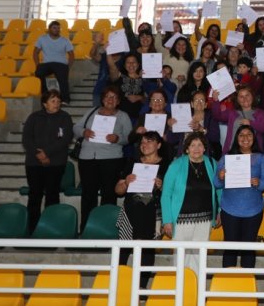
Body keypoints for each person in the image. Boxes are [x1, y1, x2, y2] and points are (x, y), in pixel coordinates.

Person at [161, 132, 221, 275]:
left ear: (204, 148)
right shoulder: (176, 165)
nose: (196, 148)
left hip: (205, 220)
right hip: (181, 220)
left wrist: (220, 211)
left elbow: (220, 191)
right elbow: (166, 194)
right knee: (181, 260)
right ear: (186, 149)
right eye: (192, 145)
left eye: (200, 145)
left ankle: (197, 293)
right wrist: (167, 220)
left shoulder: (213, 164)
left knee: (200, 259)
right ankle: (182, 293)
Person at [74, 85, 133, 230]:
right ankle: (86, 228)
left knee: (109, 195)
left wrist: (117, 138)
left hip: (111, 159)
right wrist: (84, 132)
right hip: (87, 159)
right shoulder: (91, 111)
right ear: (102, 99)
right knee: (88, 194)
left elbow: (129, 137)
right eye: (107, 97)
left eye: (114, 97)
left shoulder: (123, 116)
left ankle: (106, 229)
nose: (110, 100)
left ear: (118, 101)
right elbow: (75, 127)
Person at [114, 131, 168, 287]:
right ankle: (119, 286)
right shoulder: (132, 162)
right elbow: (118, 191)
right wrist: (125, 182)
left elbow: (173, 192)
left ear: (158, 145)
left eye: (149, 142)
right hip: (131, 212)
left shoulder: (167, 164)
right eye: (142, 142)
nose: (144, 145)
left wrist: (162, 185)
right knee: (123, 250)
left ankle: (141, 289)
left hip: (152, 213)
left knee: (147, 251)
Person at [213, 125, 264, 268]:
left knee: (248, 249)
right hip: (229, 209)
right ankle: (226, 284)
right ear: (236, 139)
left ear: (254, 138)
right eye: (241, 135)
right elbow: (216, 183)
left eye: (249, 135)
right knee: (230, 248)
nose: (245, 138)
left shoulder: (261, 158)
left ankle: (247, 284)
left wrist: (259, 183)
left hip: (254, 210)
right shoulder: (226, 158)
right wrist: (220, 177)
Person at [21, 90, 74, 232]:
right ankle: (32, 229)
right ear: (45, 104)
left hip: (56, 163)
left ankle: (51, 228)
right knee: (34, 196)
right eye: (53, 101)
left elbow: (66, 139)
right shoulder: (34, 117)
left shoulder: (65, 117)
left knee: (52, 195)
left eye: (58, 101)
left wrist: (47, 153)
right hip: (34, 163)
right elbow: (26, 139)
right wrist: (39, 154)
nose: (56, 104)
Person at [211, 86, 264, 153]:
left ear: (252, 96)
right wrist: (216, 101)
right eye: (241, 97)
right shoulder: (232, 113)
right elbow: (217, 116)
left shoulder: (261, 113)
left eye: (247, 95)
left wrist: (250, 123)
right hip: (232, 152)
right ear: (237, 100)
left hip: (253, 153)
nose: (245, 99)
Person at [34, 20, 74, 104]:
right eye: (54, 28)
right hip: (47, 64)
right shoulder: (42, 38)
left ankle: (65, 99)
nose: (57, 30)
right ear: (49, 29)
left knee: (63, 78)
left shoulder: (65, 40)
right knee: (38, 73)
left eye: (58, 28)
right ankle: (45, 95)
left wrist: (68, 66)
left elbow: (71, 54)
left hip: (61, 64)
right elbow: (35, 52)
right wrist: (38, 65)